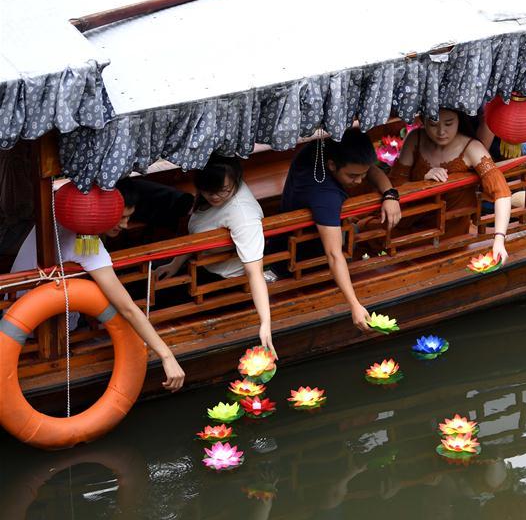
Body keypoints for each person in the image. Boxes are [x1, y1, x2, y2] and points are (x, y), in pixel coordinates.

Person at [10, 186, 185, 391]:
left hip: (13, 311)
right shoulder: (87, 246)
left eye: (128, 217)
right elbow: (127, 307)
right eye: (120, 218)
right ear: (100, 215)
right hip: (42, 327)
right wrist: (167, 355)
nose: (126, 225)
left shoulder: (58, 211)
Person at [280, 128, 401, 332]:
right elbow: (334, 254)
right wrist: (354, 304)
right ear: (332, 165)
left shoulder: (321, 147)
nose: (360, 181)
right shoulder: (324, 196)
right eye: (353, 176)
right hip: (303, 260)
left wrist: (390, 194)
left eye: (362, 174)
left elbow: (368, 169)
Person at [154, 155, 277, 355]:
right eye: (208, 191)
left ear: (236, 180)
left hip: (223, 280)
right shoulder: (212, 192)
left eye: (223, 191)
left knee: (161, 303)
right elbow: (196, 235)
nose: (215, 197)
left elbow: (255, 272)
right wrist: (175, 264)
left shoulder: (243, 216)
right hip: (199, 260)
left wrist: (265, 322)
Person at [389, 109, 512, 263]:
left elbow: (501, 192)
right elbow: (394, 186)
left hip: (449, 230)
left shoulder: (471, 147)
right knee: (369, 229)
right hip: (409, 217)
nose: (441, 132)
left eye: (449, 123)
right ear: (422, 120)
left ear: (459, 120)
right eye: (433, 124)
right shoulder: (415, 138)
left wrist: (499, 239)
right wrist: (423, 181)